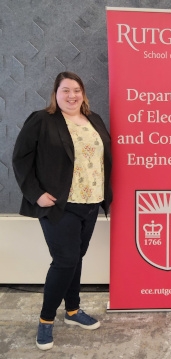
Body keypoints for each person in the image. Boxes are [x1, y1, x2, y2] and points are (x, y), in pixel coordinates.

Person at [12, 72, 112, 351]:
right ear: (55, 94)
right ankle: (46, 319)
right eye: (65, 90)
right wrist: (35, 194)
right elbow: (20, 158)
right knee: (65, 260)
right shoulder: (42, 120)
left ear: (83, 93)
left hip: (91, 202)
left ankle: (72, 310)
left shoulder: (94, 120)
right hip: (60, 205)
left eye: (76, 90)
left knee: (75, 257)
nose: (71, 96)